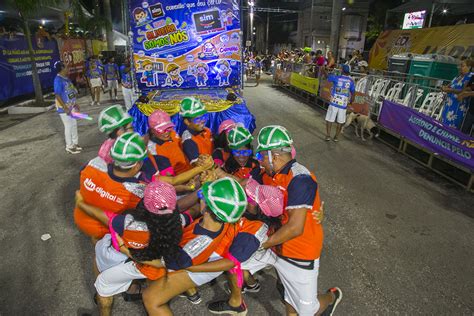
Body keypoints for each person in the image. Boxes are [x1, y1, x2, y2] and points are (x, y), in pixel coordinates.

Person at [247, 125, 341, 316]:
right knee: (287, 295)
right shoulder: (267, 173)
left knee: (308, 310)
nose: (258, 161)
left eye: (261, 156)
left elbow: (295, 228)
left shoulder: (301, 179)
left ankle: (331, 296)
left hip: (299, 252)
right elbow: (245, 183)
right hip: (275, 245)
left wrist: (259, 245)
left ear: (274, 156)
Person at [75, 180, 186, 315]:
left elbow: (101, 215)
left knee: (103, 285)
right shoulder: (179, 223)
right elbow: (192, 210)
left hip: (127, 261)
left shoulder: (128, 224)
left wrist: (81, 202)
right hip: (154, 268)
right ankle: (132, 290)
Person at [142, 177, 248, 315]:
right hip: (205, 257)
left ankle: (188, 289)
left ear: (205, 206)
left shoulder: (199, 239)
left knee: (151, 298)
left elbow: (171, 263)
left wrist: (127, 250)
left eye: (202, 196)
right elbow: (193, 210)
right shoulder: (219, 219)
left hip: (193, 266)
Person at [74, 132, 148, 242]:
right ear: (137, 165)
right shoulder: (137, 190)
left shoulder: (93, 164)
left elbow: (82, 177)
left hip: (81, 217)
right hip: (104, 229)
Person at [54, 61, 82, 154]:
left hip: (71, 106)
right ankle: (69, 146)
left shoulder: (66, 79)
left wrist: (75, 103)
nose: (68, 69)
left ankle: (75, 143)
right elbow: (57, 95)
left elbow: (71, 92)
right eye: (66, 67)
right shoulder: (58, 80)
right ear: (62, 68)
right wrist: (65, 107)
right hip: (64, 108)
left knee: (73, 124)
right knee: (68, 125)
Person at [325, 64, 355, 141]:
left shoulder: (336, 77)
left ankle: (328, 136)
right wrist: (351, 102)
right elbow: (353, 93)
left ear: (342, 70)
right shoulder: (351, 81)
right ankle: (336, 137)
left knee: (329, 119)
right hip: (343, 105)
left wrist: (323, 70)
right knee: (340, 121)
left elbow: (327, 77)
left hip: (334, 103)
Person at [180, 97, 214, 165]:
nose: (203, 121)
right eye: (198, 119)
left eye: (204, 117)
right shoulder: (188, 141)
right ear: (187, 122)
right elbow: (198, 167)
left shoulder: (206, 130)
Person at [441, 59, 473, 129]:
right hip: (449, 103)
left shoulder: (470, 76)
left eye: (463, 66)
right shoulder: (458, 76)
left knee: (453, 124)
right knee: (444, 122)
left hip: (458, 105)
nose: (460, 67)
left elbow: (463, 90)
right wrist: (444, 88)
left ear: (469, 67)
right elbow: (449, 85)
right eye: (460, 66)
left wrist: (450, 90)